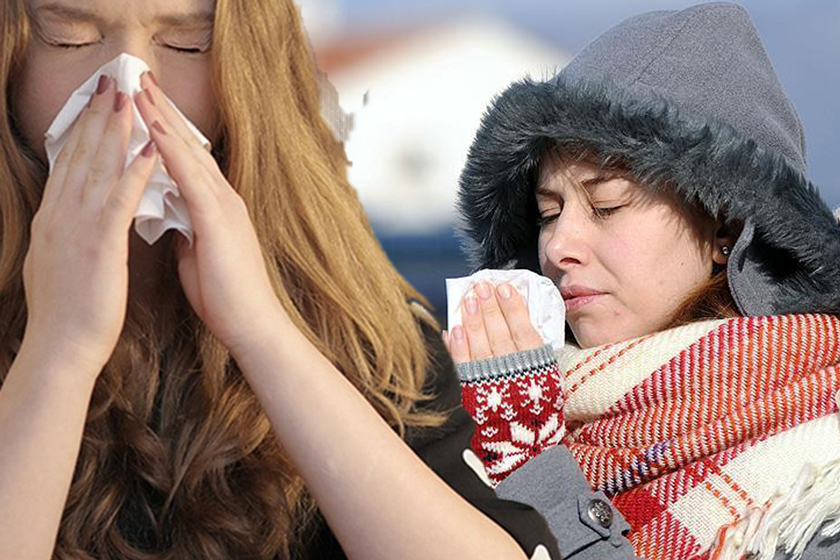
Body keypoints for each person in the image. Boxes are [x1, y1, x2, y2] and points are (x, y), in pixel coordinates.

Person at [0, 1, 563, 559]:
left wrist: (262, 331)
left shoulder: (368, 335)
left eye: (187, 43)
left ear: (249, 74)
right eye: (67, 36)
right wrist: (61, 351)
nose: (128, 86)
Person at [446, 3, 840, 560]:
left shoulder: (817, 475)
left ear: (723, 222)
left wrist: (535, 473)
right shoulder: (514, 395)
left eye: (606, 205)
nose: (558, 247)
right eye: (548, 212)